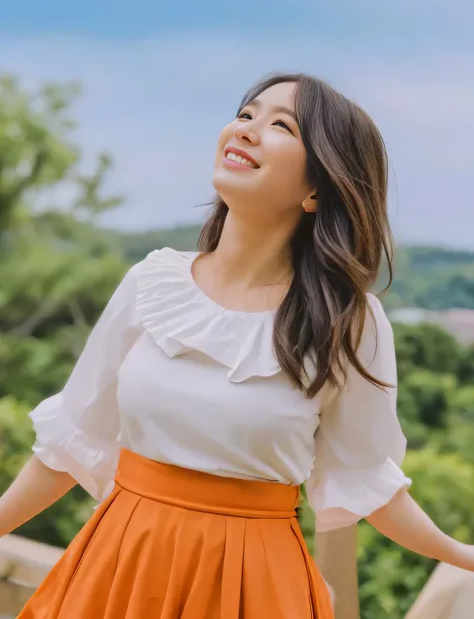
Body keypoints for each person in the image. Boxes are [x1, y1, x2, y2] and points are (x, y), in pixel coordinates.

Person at [1, 73, 473, 619]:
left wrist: (460, 554)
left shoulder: (349, 322)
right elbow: (71, 443)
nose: (246, 130)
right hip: (122, 565)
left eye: (280, 126)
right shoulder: (152, 284)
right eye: (246, 114)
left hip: (257, 587)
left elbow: (366, 481)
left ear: (318, 188)